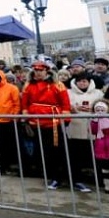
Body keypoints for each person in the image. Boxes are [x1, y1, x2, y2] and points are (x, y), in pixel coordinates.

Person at [21, 59, 71, 190]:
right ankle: (52, 177)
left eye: (40, 70)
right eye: (36, 70)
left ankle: (63, 177)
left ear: (46, 71)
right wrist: (26, 116)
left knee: (58, 150)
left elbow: (65, 102)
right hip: (36, 122)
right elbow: (25, 103)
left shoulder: (57, 84)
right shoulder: (28, 85)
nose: (38, 73)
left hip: (54, 122)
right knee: (44, 151)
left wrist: (64, 118)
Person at [66, 74, 103, 192]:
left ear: (89, 82)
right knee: (75, 156)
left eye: (84, 81)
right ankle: (76, 180)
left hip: (93, 129)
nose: (82, 83)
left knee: (95, 155)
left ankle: (99, 179)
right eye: (79, 81)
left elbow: (104, 105)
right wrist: (72, 108)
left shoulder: (98, 93)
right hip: (75, 129)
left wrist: (93, 109)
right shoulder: (68, 92)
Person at [90, 99, 109, 194]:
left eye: (102, 110)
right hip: (101, 146)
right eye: (97, 110)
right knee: (105, 168)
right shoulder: (95, 121)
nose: (100, 112)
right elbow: (93, 131)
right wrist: (95, 121)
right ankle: (108, 186)